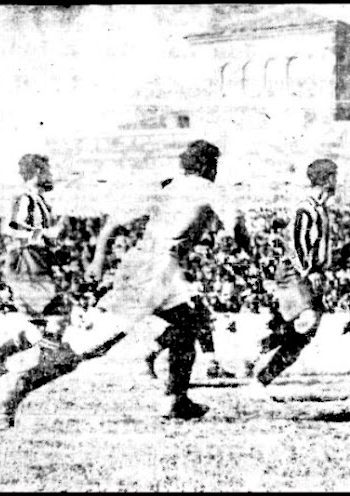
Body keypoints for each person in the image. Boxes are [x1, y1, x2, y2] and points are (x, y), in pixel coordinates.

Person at [86, 140, 238, 420]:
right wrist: (249, 251)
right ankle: (24, 377)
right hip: (154, 268)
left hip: (156, 265)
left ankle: (175, 399)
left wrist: (98, 260)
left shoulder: (165, 187)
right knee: (96, 343)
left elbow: (113, 222)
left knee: (191, 322)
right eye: (215, 166)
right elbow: (237, 226)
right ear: (207, 166)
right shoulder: (207, 189)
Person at [0, 154, 126, 428]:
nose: (51, 175)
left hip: (36, 267)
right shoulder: (25, 199)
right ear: (37, 171)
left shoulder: (39, 201)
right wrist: (46, 236)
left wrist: (55, 248)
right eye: (47, 169)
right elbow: (10, 228)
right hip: (26, 268)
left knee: (42, 327)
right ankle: (33, 370)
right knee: (58, 319)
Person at [248, 159, 338, 391]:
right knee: (304, 323)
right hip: (294, 273)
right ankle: (258, 364)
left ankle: (260, 358)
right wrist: (309, 271)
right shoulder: (305, 208)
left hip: (310, 274)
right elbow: (297, 244)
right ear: (328, 179)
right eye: (335, 176)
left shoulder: (320, 209)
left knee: (302, 335)